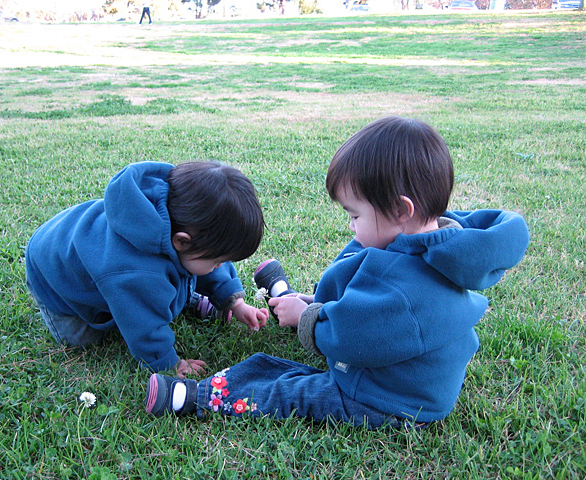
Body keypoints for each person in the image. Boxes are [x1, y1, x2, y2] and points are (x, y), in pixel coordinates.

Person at [144, 117, 530, 428]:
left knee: (295, 392)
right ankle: (287, 295)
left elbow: (351, 334)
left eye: (355, 215)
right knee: (319, 303)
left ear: (401, 211)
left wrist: (309, 317)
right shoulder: (419, 245)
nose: (351, 225)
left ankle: (195, 397)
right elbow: (361, 301)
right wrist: (311, 303)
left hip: (391, 398)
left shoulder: (409, 291)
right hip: (386, 363)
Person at [25, 161, 269, 378]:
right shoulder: (137, 271)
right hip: (53, 275)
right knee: (85, 338)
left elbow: (210, 264)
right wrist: (168, 364)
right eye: (217, 261)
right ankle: (180, 298)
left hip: (80, 242)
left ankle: (187, 296)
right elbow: (143, 326)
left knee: (179, 278)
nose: (219, 266)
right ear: (181, 241)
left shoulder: (183, 220)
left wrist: (233, 302)